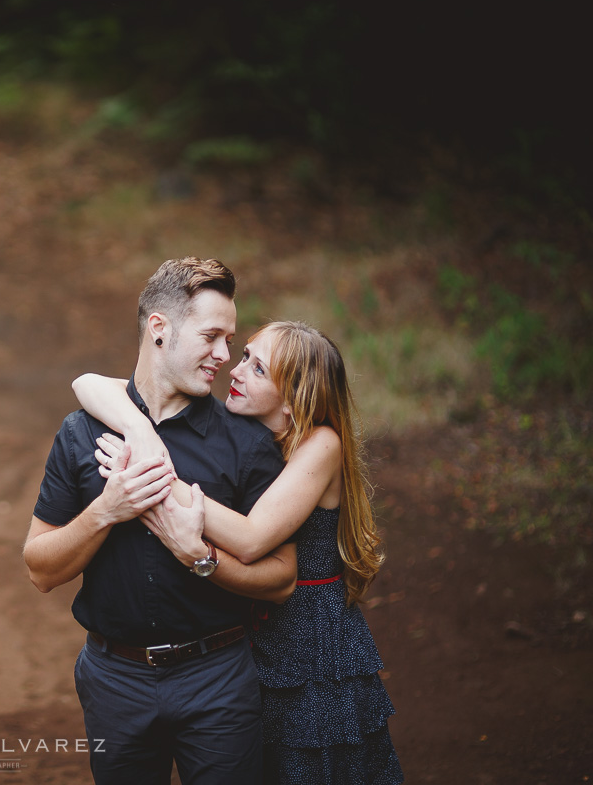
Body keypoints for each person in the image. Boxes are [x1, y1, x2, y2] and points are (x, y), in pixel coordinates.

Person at [73, 320, 403, 784]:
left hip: (308, 638)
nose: (236, 369)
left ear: (293, 401)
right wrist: (135, 425)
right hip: (246, 630)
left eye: (259, 369)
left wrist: (149, 476)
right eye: (244, 355)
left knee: (306, 767)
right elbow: (87, 384)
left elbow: (251, 540)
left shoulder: (320, 444)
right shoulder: (245, 433)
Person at [24, 257, 297, 785]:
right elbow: (40, 569)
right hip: (114, 680)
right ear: (159, 329)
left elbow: (282, 578)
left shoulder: (247, 443)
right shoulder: (82, 435)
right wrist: (107, 511)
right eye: (212, 336)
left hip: (218, 678)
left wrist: (200, 558)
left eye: (230, 339)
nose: (224, 356)